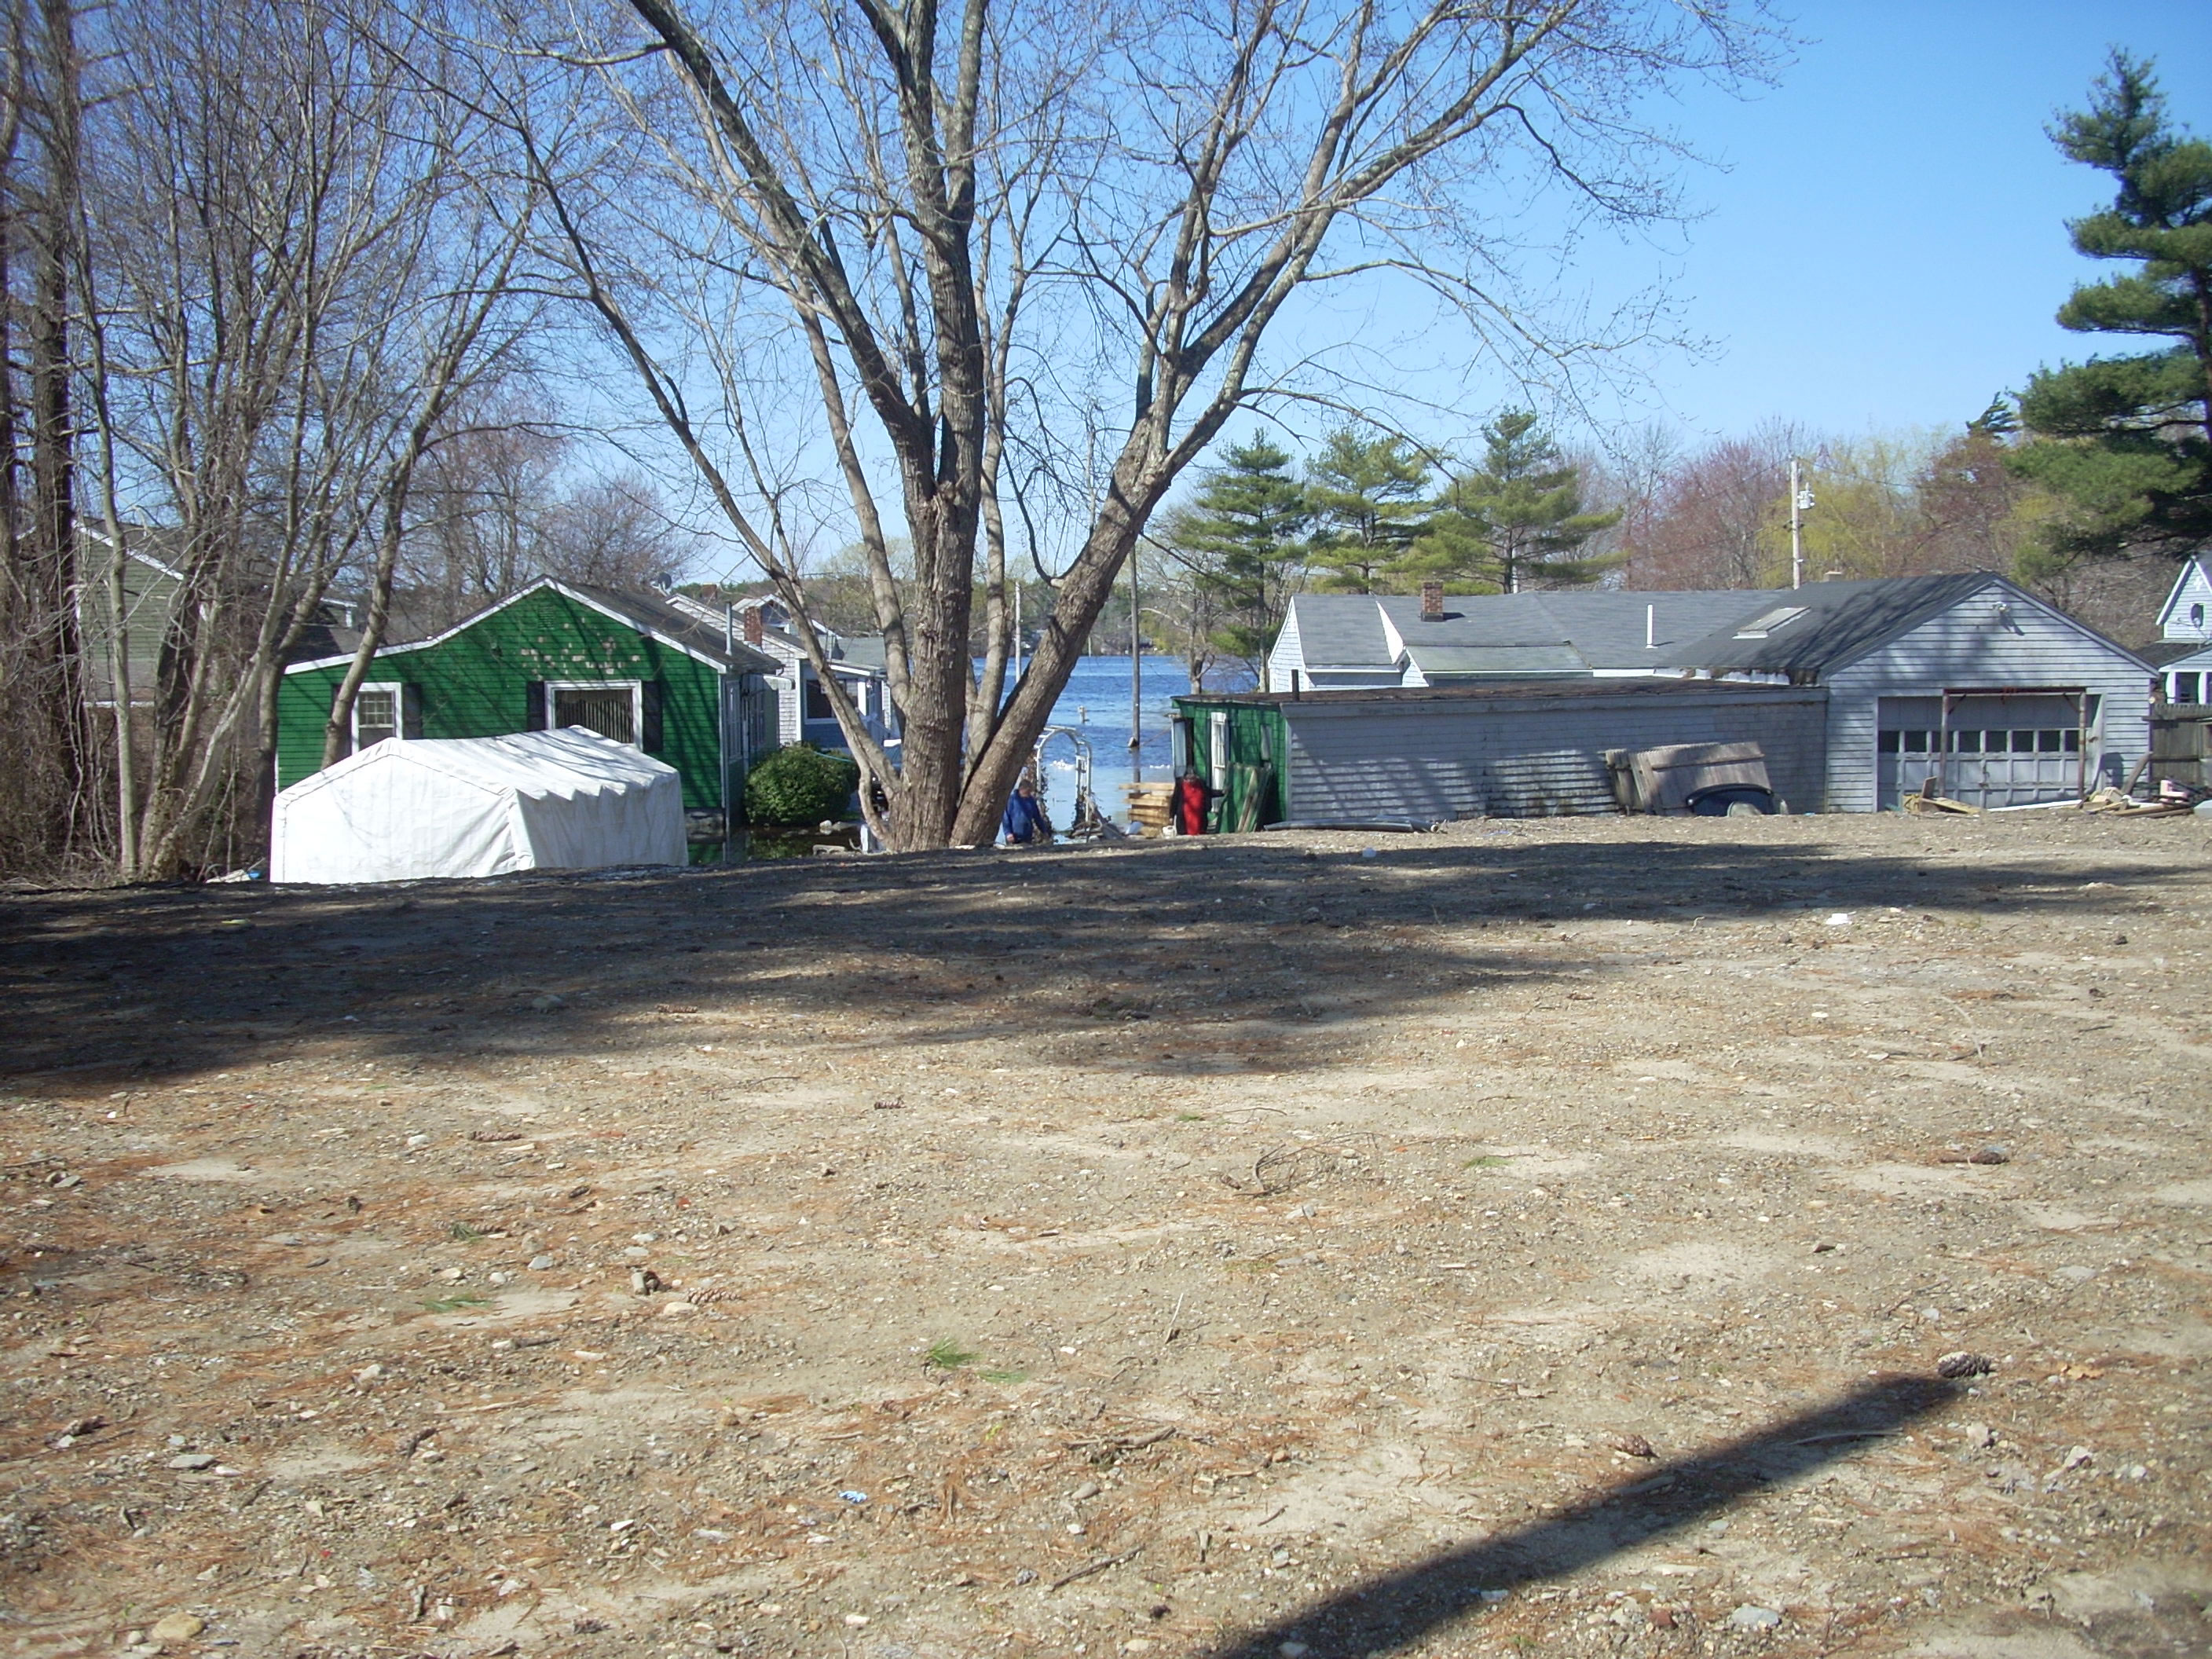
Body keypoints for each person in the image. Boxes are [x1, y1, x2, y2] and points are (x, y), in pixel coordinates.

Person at [1002, 777, 1052, 845]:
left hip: (1027, 836)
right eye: (1028, 791)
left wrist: (1044, 831)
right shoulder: (1011, 800)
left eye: (1030, 791)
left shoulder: (1031, 801)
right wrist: (1008, 833)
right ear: (1022, 789)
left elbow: (1037, 818)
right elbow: (1006, 818)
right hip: (1013, 836)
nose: (1029, 793)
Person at [1171, 768, 1218, 837]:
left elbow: (1209, 792)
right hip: (1185, 815)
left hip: (1200, 815)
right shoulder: (1180, 786)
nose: (1190, 781)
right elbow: (1175, 800)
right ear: (1185, 778)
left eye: (1192, 779)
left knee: (1200, 834)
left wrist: (1222, 792)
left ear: (1196, 777)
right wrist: (1171, 815)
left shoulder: (1201, 784)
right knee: (1185, 835)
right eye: (1188, 779)